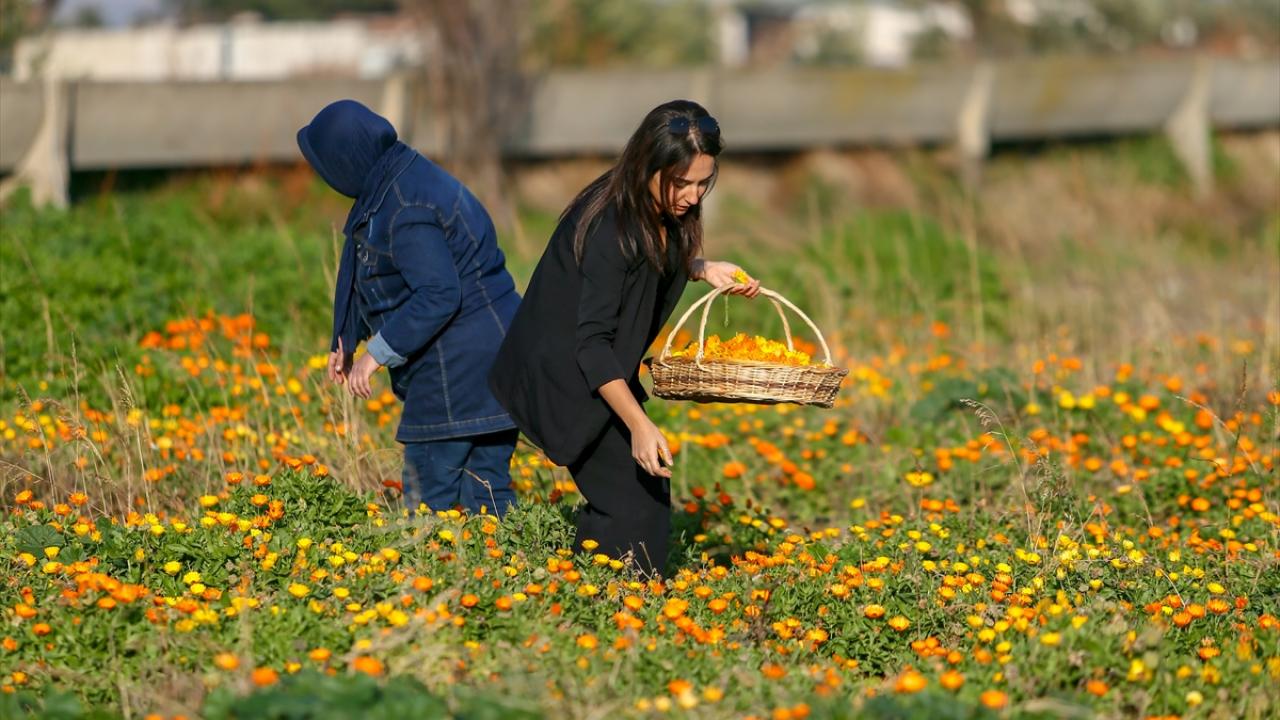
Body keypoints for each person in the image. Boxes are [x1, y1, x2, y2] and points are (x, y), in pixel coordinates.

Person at [488, 99, 760, 576]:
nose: (694, 197)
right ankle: (608, 604)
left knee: (645, 496)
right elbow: (589, 343)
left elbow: (645, 268)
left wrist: (701, 267)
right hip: (568, 374)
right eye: (682, 183)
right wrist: (637, 423)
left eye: (703, 183)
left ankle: (603, 596)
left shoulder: (658, 210)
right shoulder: (611, 227)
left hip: (602, 366)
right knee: (631, 506)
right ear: (648, 166)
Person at [297, 99, 520, 518]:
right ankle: (508, 574)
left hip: (457, 368)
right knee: (487, 496)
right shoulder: (398, 180)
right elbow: (373, 265)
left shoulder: (406, 207)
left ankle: (430, 580)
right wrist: (346, 338)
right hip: (497, 359)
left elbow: (438, 294)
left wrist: (374, 356)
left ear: (346, 162)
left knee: (427, 501)